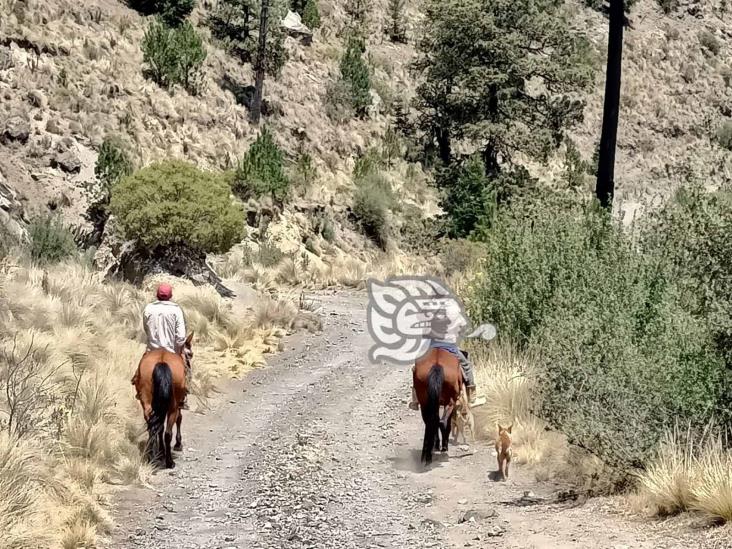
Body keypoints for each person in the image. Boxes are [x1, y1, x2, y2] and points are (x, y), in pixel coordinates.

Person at [132, 283, 190, 408]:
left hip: (152, 348)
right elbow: (180, 337)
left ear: (157, 295)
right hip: (171, 349)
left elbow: (146, 328)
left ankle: (139, 390)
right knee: (185, 368)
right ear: (170, 296)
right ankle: (182, 396)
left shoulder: (148, 308)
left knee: (139, 373)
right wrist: (179, 349)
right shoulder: (176, 310)